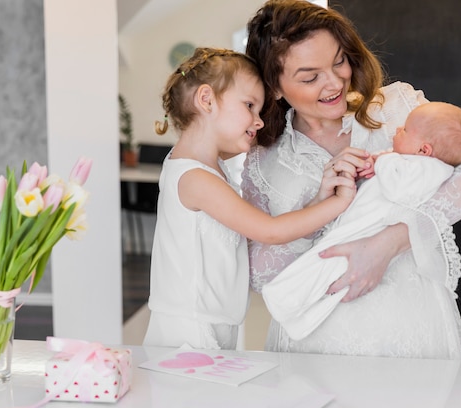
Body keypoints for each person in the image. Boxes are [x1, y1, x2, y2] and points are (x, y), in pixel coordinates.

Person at [242, 0, 461, 358]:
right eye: (310, 76)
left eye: (338, 62)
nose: (334, 82)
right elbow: (258, 274)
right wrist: (320, 208)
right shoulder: (264, 159)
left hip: (413, 333)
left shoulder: (400, 109)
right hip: (316, 347)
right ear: (274, 87)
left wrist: (387, 244)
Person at [143, 47, 357, 350]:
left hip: (211, 323)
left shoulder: (208, 170)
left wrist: (320, 197)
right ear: (206, 100)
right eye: (249, 106)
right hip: (190, 330)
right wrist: (338, 203)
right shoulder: (195, 179)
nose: (258, 121)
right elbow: (269, 231)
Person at [262, 101, 461, 342]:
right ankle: (292, 309)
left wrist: (382, 161)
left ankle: (289, 305)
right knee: (323, 274)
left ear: (424, 150)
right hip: (355, 231)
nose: (397, 131)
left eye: (405, 130)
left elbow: (400, 189)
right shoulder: (410, 163)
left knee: (329, 276)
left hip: (368, 236)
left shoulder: (429, 169)